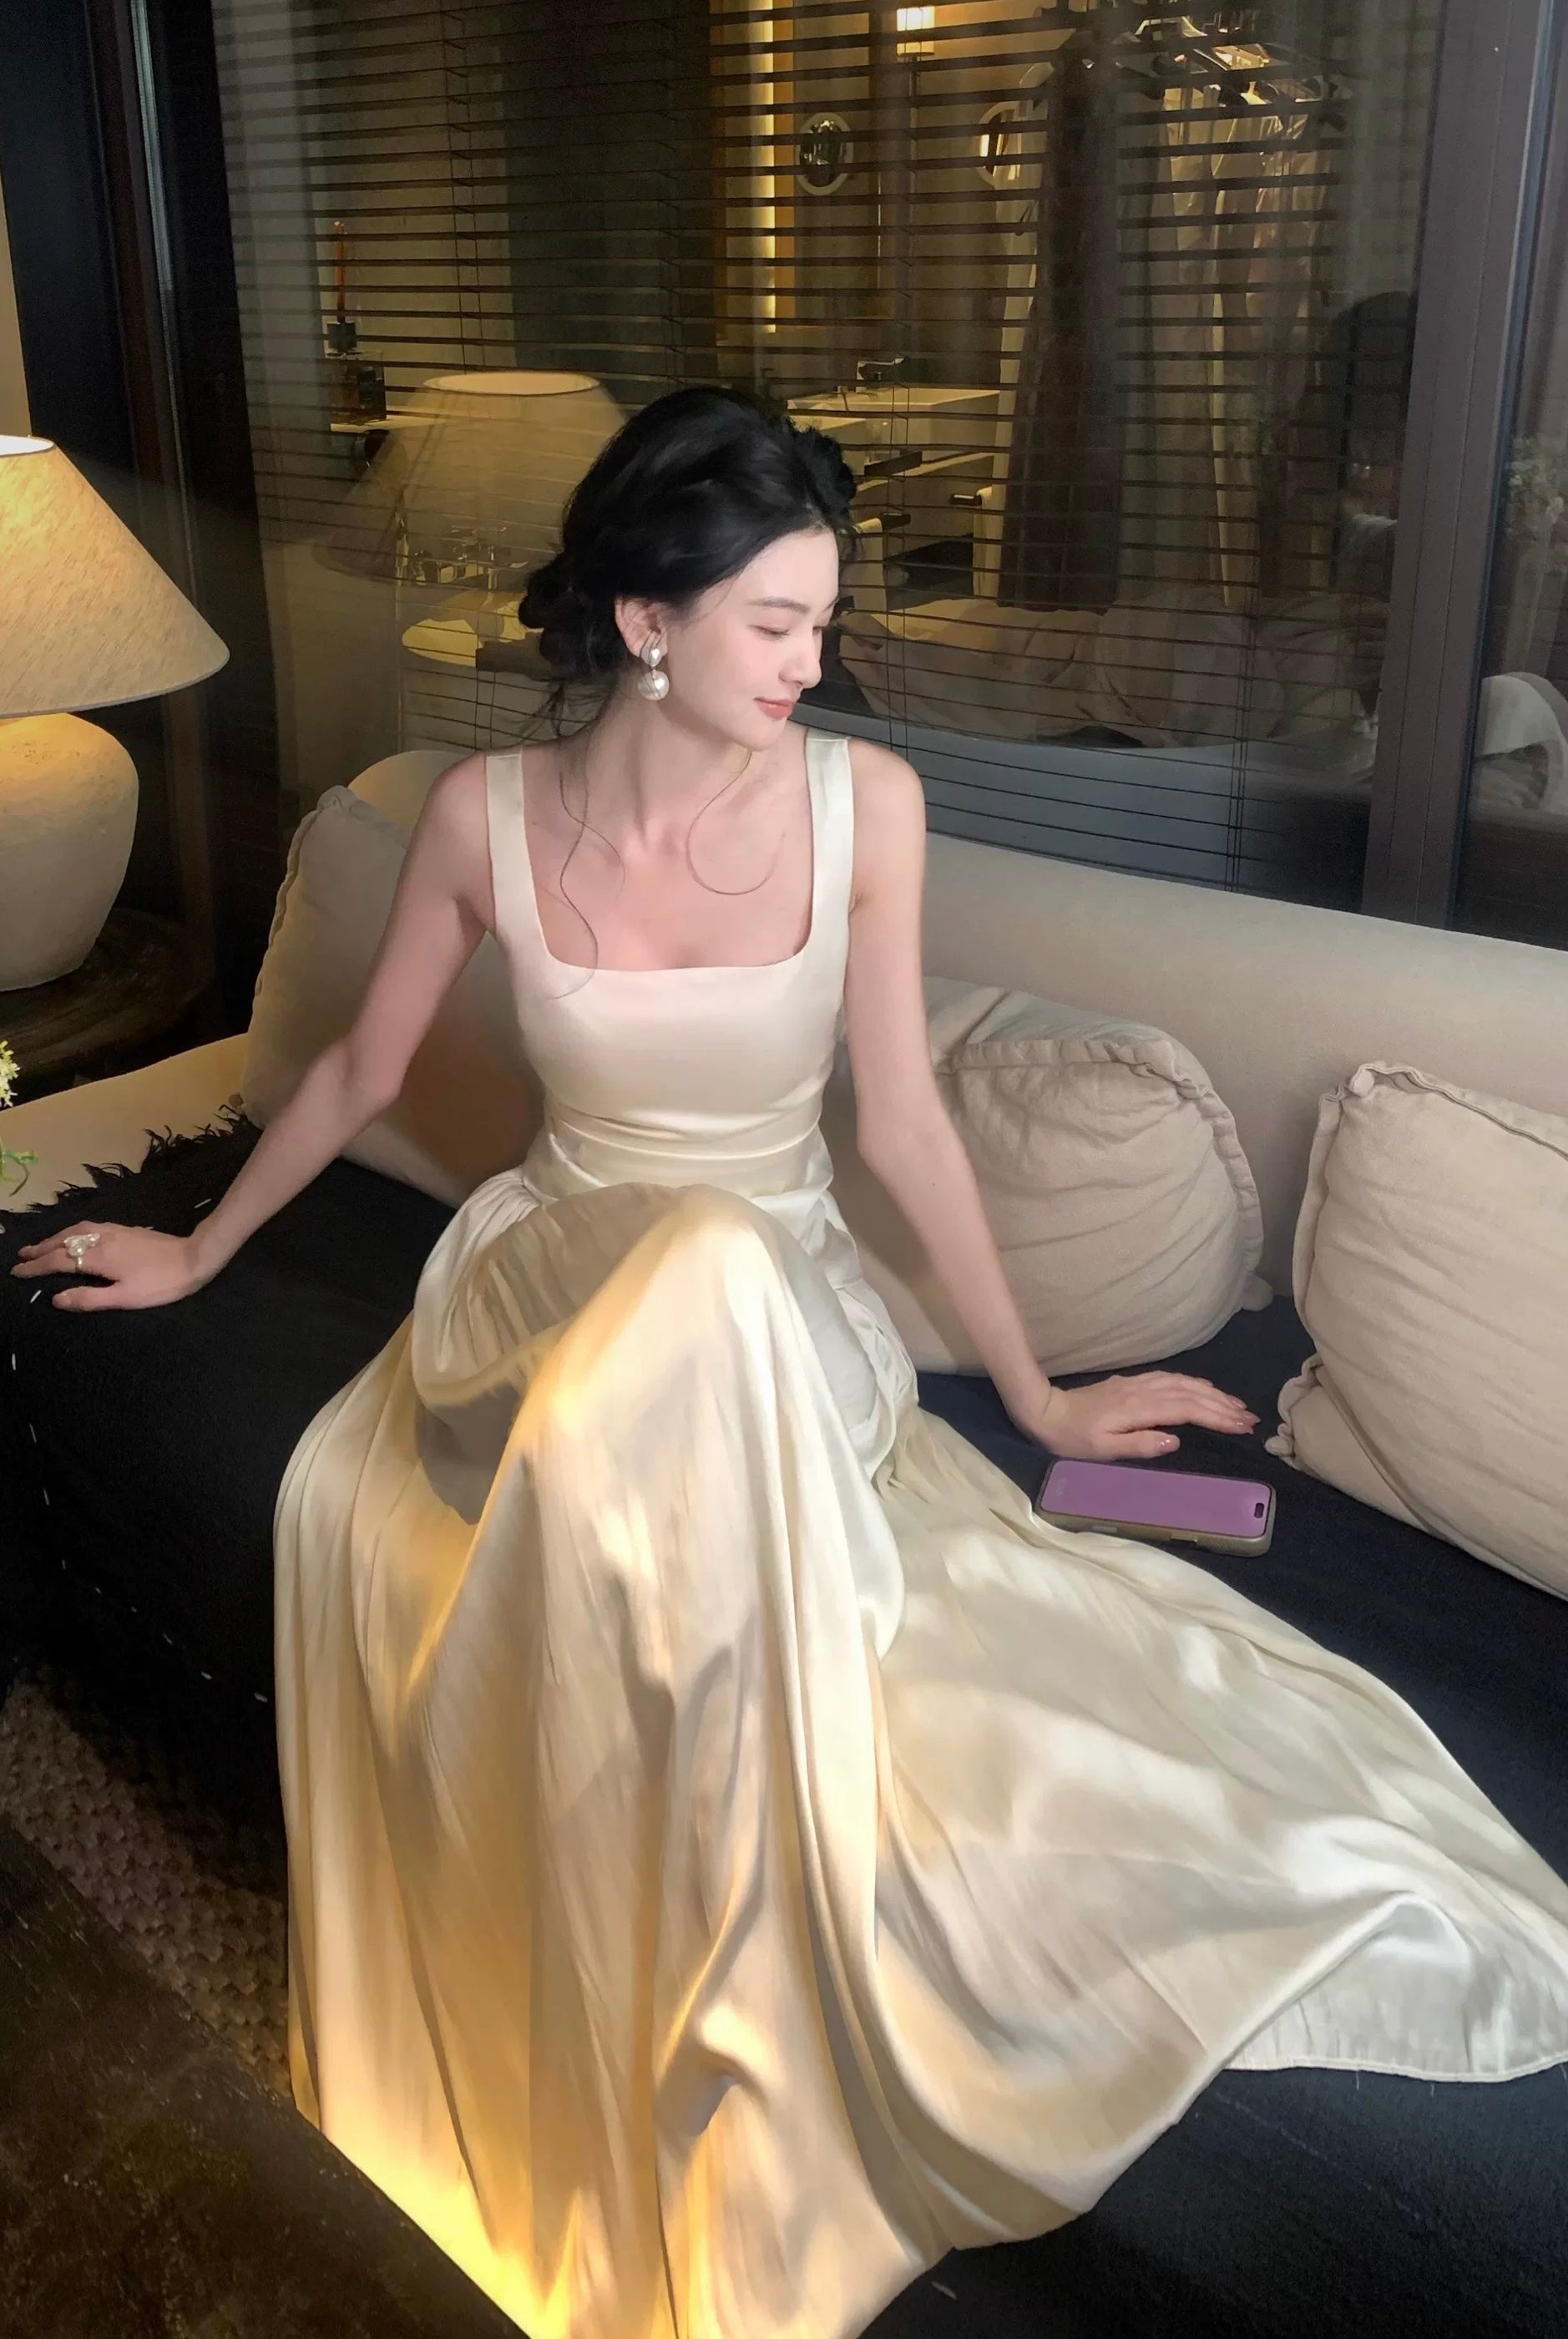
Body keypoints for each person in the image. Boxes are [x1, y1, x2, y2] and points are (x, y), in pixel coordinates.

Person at [13, 386, 1568, 2339]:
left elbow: (902, 1123)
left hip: (783, 1310)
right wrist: (200, 1241)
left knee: (736, 1270)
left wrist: (1039, 1396)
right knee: (697, 1273)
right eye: (775, 621)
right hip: (547, 1303)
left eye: (825, 620)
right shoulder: (484, 819)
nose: (812, 664)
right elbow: (361, 1067)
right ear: (646, 620)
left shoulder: (866, 808)